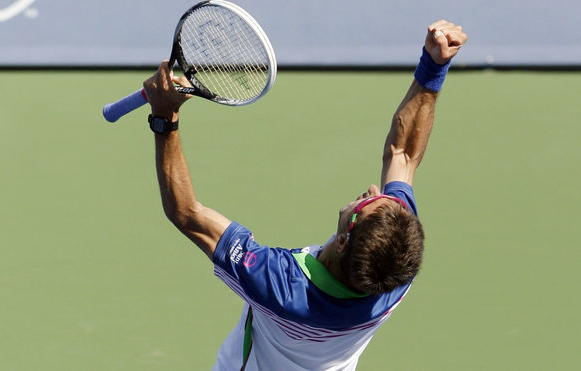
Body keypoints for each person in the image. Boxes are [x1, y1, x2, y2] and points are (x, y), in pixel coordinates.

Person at [142, 20, 466, 371]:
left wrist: (164, 118)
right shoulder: (394, 271)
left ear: (343, 240)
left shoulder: (281, 286)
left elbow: (187, 213)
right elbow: (402, 154)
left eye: (366, 204)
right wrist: (434, 66)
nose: (372, 191)